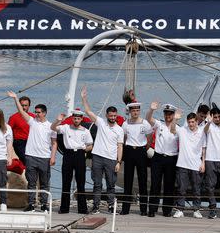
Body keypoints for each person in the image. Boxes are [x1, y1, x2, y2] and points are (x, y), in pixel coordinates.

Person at [8, 92, 56, 212]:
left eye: (39, 112)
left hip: (44, 157)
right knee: (31, 182)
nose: (36, 114)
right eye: (35, 112)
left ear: (44, 113)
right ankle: (31, 204)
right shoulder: (32, 121)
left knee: (44, 183)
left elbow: (55, 143)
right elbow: (21, 111)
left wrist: (53, 157)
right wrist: (15, 99)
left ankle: (44, 204)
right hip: (31, 157)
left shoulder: (50, 126)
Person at [81, 86, 124, 214]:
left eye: (115, 116)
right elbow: (88, 112)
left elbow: (120, 146)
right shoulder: (100, 122)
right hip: (97, 157)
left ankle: (111, 206)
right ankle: (96, 206)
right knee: (97, 184)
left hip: (111, 159)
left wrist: (118, 162)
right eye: (111, 116)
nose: (113, 118)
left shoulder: (119, 129)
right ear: (107, 115)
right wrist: (84, 98)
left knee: (111, 184)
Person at [51, 108, 93, 214]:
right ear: (72, 118)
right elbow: (53, 128)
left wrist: (84, 149)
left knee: (81, 182)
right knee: (66, 182)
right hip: (68, 154)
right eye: (74, 118)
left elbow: (90, 145)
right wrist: (58, 120)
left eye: (78, 118)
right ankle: (64, 208)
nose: (76, 120)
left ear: (81, 119)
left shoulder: (86, 131)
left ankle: (82, 209)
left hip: (79, 154)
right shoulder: (66, 128)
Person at [146, 102, 180, 218]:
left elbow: (173, 131)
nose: (168, 116)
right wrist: (151, 109)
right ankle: (152, 209)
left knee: (169, 185)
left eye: (170, 114)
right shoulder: (159, 125)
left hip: (171, 158)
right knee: (155, 184)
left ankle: (167, 210)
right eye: (166, 113)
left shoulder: (178, 128)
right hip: (158, 157)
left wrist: (175, 120)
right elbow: (148, 119)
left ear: (174, 115)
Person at [173, 112, 209, 218]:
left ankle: (196, 210)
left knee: (196, 189)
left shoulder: (202, 132)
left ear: (197, 122)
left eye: (193, 122)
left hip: (196, 165)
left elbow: (204, 149)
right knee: (181, 189)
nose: (191, 124)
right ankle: (180, 209)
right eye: (189, 122)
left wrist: (203, 163)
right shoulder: (183, 130)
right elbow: (172, 130)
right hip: (182, 164)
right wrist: (175, 119)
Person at [121, 101, 153, 215]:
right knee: (127, 180)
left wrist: (144, 148)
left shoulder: (145, 123)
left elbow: (150, 138)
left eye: (137, 110)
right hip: (129, 151)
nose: (135, 112)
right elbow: (124, 138)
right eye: (133, 111)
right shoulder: (126, 124)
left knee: (142, 181)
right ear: (130, 112)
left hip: (141, 151)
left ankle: (144, 210)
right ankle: (125, 209)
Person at [7, 95, 33, 165]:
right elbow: (8, 132)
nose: (24, 107)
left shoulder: (33, 117)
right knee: (26, 160)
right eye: (22, 105)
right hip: (19, 143)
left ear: (29, 106)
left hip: (31, 142)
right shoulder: (13, 117)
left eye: (26, 105)